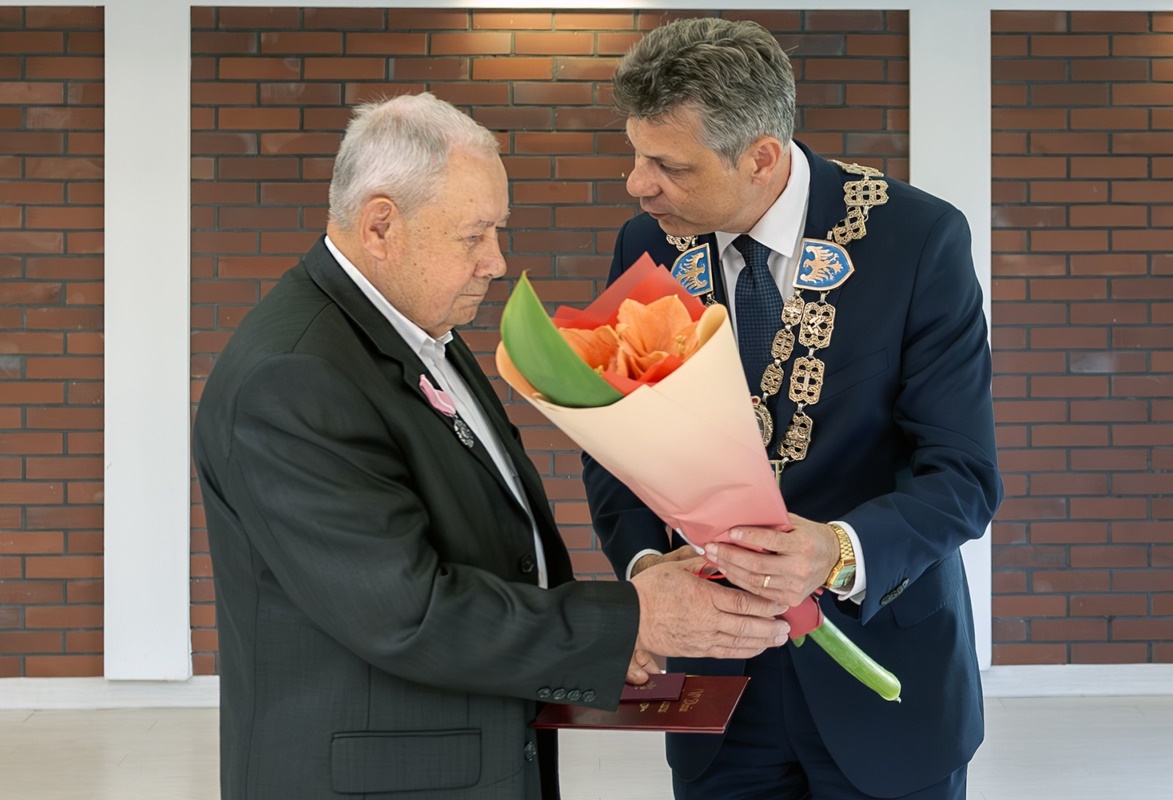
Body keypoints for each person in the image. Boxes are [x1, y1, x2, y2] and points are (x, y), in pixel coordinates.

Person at [192, 92, 792, 800]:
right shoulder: (294, 376)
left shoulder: (413, 329)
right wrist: (631, 620)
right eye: (473, 236)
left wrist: (613, 623)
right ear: (381, 225)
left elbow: (493, 544)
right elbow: (405, 611)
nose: (496, 263)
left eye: (497, 233)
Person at [582, 18, 1004, 800]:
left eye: (669, 165)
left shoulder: (918, 239)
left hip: (885, 671)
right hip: (715, 687)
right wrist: (646, 573)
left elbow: (963, 475)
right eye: (636, 155)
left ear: (761, 157)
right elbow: (618, 441)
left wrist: (839, 550)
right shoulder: (647, 244)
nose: (638, 184)